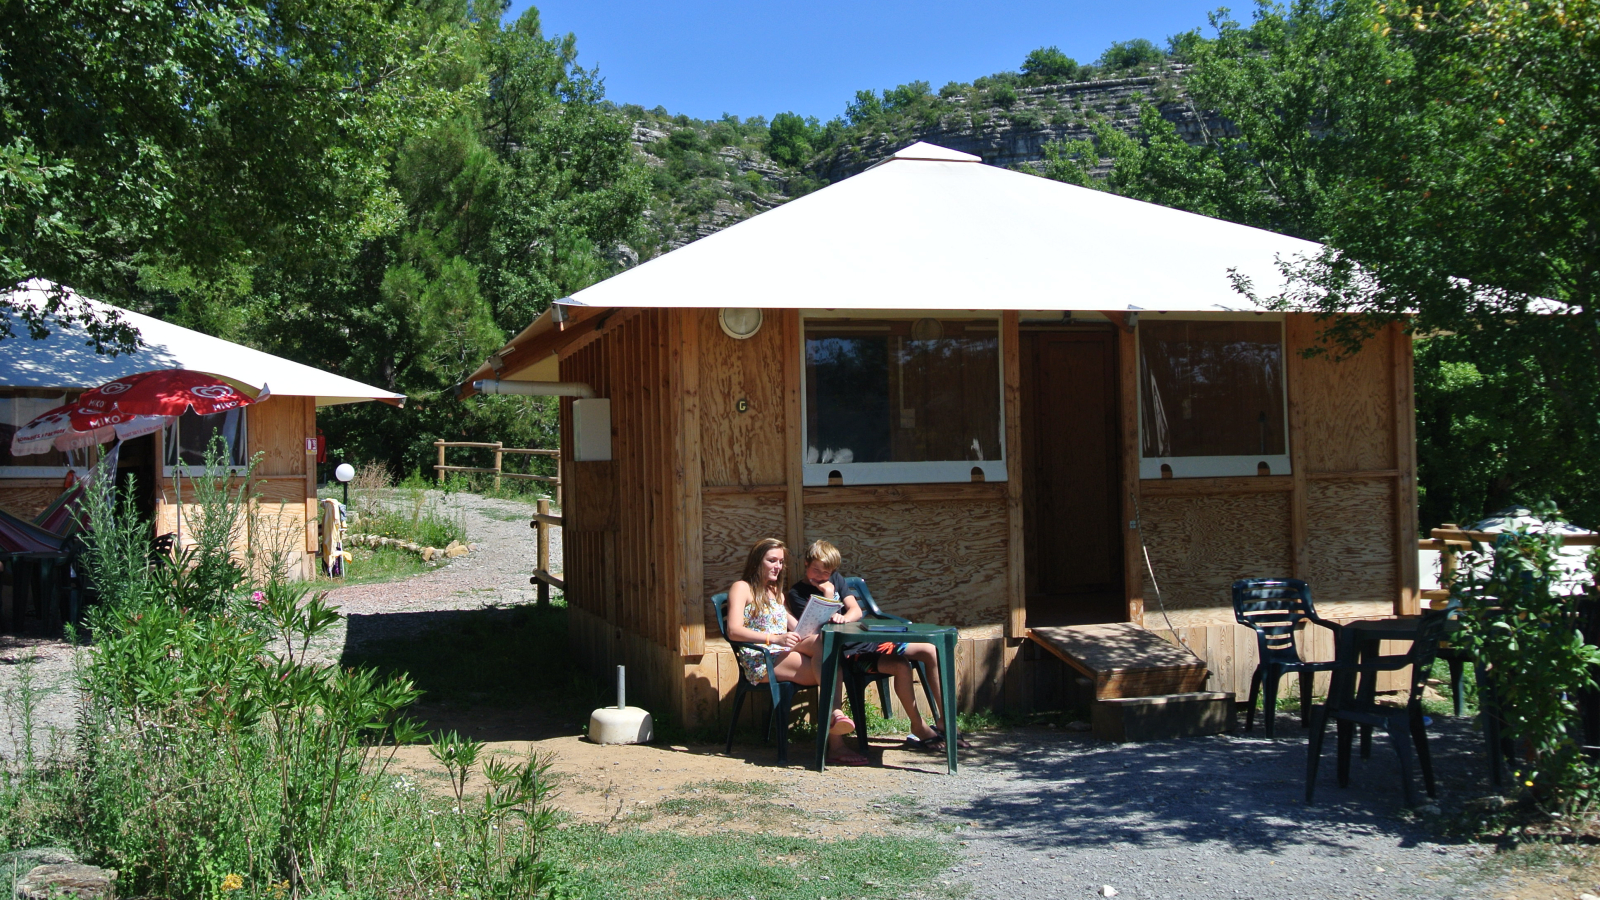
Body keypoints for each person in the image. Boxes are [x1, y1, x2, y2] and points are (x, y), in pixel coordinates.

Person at [787, 540, 963, 752]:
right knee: (901, 666)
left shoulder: (837, 580)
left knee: (930, 650)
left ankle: (946, 722)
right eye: (816, 570)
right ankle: (919, 726)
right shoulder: (797, 593)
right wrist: (827, 595)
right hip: (848, 654)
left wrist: (845, 617)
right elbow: (814, 627)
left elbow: (855, 610)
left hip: (866, 642)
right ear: (806, 563)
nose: (822, 576)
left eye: (827, 572)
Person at [725, 537, 867, 766]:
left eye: (781, 562)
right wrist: (774, 637)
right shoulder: (742, 588)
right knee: (832, 668)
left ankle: (834, 721)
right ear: (756, 561)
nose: (777, 566)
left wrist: (820, 612)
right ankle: (836, 736)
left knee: (827, 651)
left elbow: (795, 626)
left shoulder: (776, 592)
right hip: (761, 658)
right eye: (772, 560)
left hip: (782, 649)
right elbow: (733, 630)